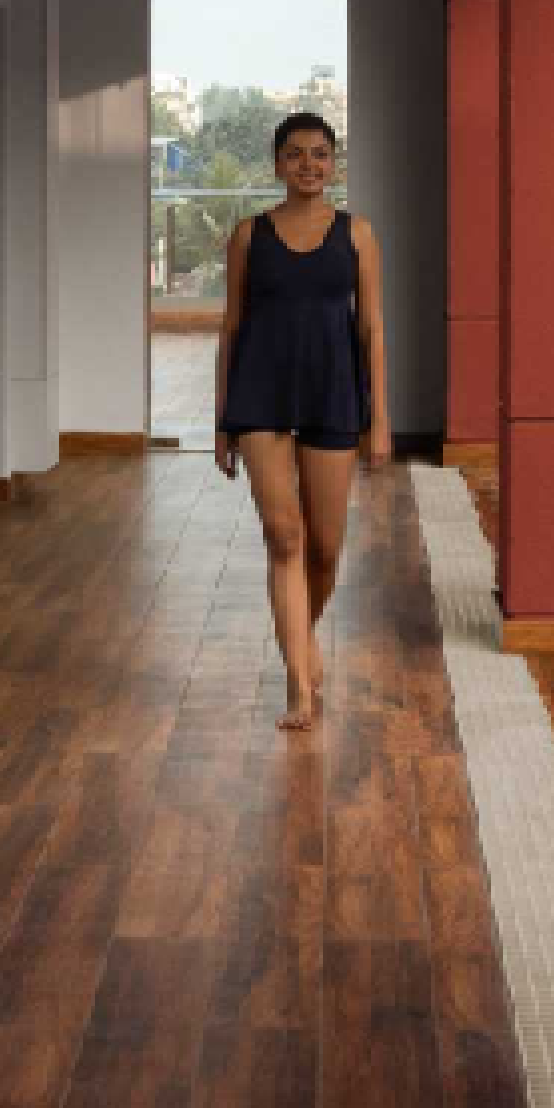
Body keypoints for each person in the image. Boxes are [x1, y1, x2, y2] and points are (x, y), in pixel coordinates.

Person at [211, 110, 389, 732]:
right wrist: (221, 421)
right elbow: (231, 328)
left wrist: (380, 418)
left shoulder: (357, 234)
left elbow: (371, 330)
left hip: (332, 394)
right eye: (295, 154)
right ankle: (298, 684)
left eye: (320, 154)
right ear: (277, 164)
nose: (308, 164)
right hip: (259, 394)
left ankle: (301, 635)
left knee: (325, 548)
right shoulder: (248, 236)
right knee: (284, 537)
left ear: (334, 164)